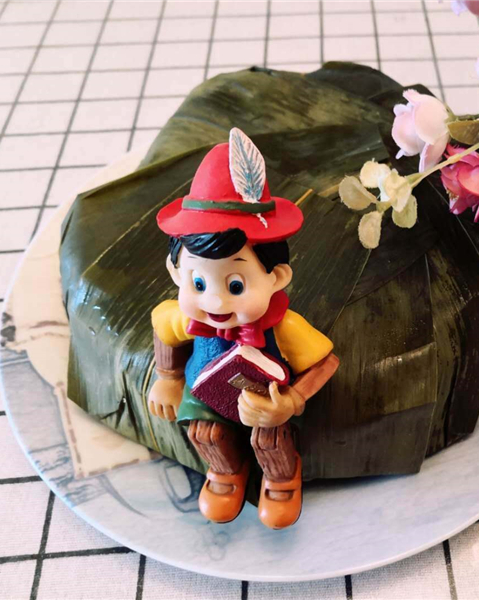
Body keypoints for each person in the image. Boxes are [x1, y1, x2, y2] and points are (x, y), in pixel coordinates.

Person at [147, 128, 339, 529]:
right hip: (204, 390)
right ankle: (225, 471)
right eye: (198, 283)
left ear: (277, 277)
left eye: (236, 286)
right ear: (175, 272)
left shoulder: (284, 325)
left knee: (271, 440)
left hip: (267, 400)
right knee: (204, 434)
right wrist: (167, 377)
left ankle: (282, 477)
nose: (215, 303)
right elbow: (163, 329)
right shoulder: (187, 317)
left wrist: (291, 401)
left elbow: (325, 363)